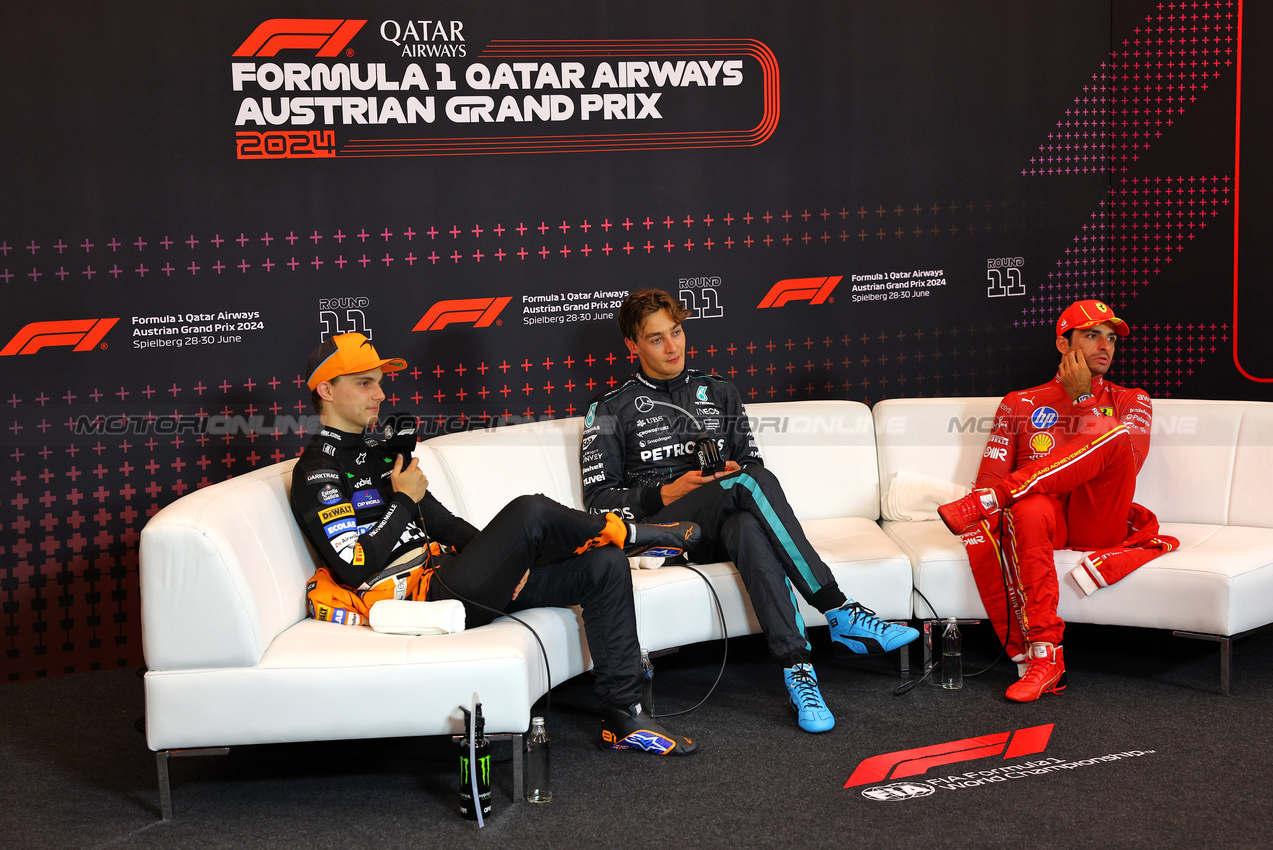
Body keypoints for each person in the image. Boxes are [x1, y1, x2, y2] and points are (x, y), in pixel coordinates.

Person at [290, 331, 702, 754]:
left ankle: (624, 716)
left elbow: (449, 527)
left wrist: (509, 563)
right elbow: (354, 567)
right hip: (425, 601)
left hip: (456, 581)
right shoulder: (316, 472)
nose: (379, 394)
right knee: (531, 511)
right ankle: (630, 532)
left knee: (604, 566)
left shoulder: (382, 455)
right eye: (364, 383)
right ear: (325, 390)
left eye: (379, 381)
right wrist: (402, 501)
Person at [581, 289, 919, 734]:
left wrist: (732, 472)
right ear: (633, 346)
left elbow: (753, 466)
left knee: (747, 526)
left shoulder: (719, 391)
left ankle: (799, 673)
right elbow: (598, 501)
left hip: (724, 518)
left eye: (677, 332)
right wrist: (663, 494)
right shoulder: (607, 408)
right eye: (657, 339)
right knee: (747, 488)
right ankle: (836, 609)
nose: (673, 347)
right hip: (664, 536)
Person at [937, 300, 1178, 702]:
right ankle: (1046, 658)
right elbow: (990, 476)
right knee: (1028, 509)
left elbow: (1129, 465)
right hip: (1046, 519)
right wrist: (998, 490)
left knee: (1112, 434)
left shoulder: (1132, 399)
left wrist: (1084, 400)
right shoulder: (1020, 402)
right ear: (1063, 345)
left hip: (1100, 516)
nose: (1106, 346)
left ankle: (990, 503)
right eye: (1091, 335)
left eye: (1111, 338)